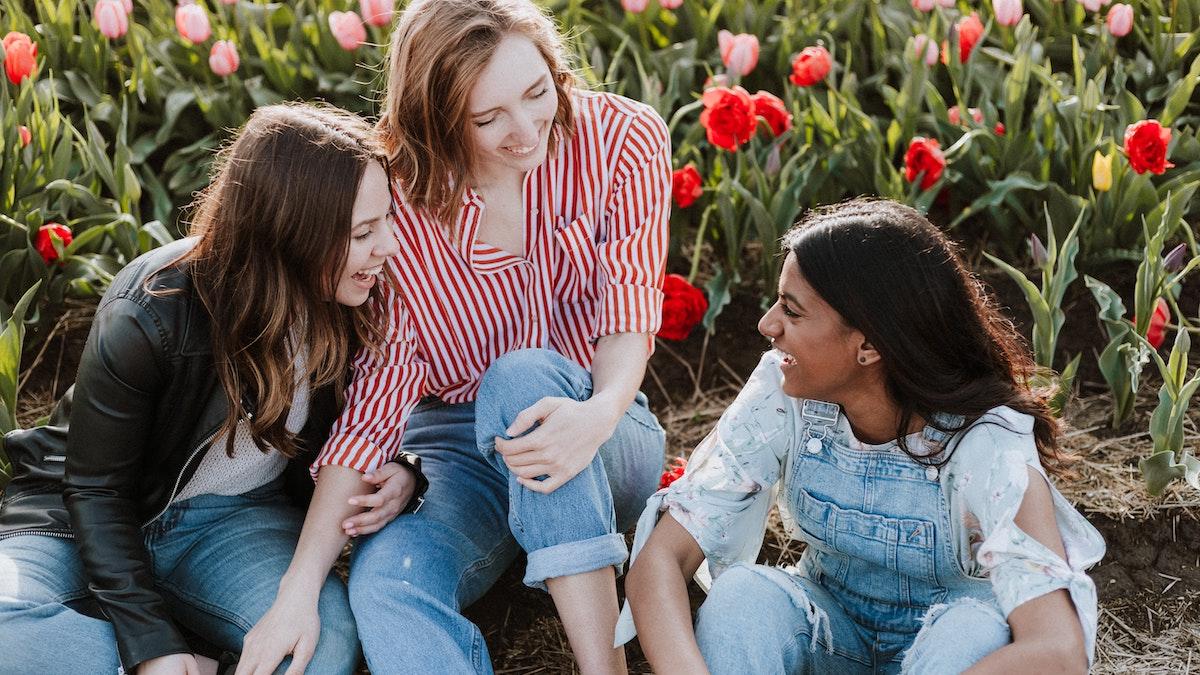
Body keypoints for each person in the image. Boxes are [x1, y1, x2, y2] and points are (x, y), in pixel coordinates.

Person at [0, 103, 426, 675]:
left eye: (386, 221)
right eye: (362, 232)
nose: (389, 246)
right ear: (289, 233)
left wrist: (404, 469)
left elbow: (372, 417)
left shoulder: (362, 301)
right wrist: (150, 648)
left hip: (232, 523)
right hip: (79, 517)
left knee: (322, 648)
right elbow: (97, 491)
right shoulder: (151, 311)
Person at [323, 0, 671, 672]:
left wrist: (596, 415)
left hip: (603, 422)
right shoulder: (397, 195)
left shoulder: (624, 139)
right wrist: (403, 467)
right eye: (487, 119)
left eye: (537, 93)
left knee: (521, 378)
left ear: (553, 67)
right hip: (458, 451)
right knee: (386, 583)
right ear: (437, 121)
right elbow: (386, 377)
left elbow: (630, 319)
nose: (524, 131)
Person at [623, 198, 1106, 674]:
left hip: (948, 659)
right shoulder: (786, 395)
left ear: (871, 344)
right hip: (831, 636)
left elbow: (1056, 650)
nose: (767, 324)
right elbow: (661, 559)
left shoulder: (987, 444)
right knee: (743, 597)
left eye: (792, 311)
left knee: (971, 629)